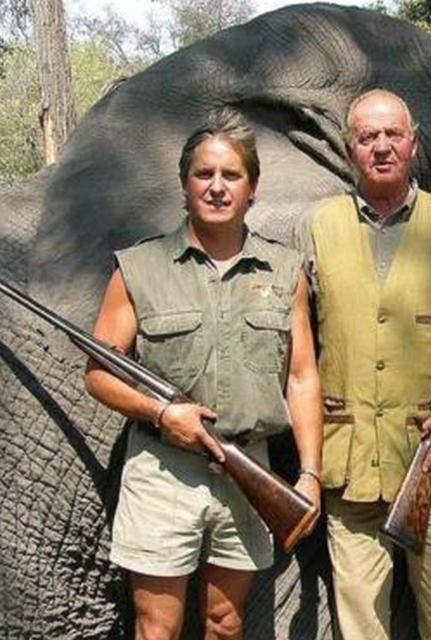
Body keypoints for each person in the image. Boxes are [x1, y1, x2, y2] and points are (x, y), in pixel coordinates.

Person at [84, 108, 323, 640]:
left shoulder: (286, 272)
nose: (217, 187)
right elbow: (98, 373)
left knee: (225, 622)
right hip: (164, 471)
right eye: (204, 174)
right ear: (185, 184)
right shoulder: (138, 269)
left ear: (253, 188)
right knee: (156, 627)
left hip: (249, 470)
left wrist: (308, 472)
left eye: (231, 175)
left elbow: (302, 377)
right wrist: (161, 412)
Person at [296, 89, 431, 640]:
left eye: (393, 135)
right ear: (349, 148)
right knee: (359, 624)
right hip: (350, 464)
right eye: (368, 137)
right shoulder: (315, 227)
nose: (381, 147)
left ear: (413, 143)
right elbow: (297, 348)